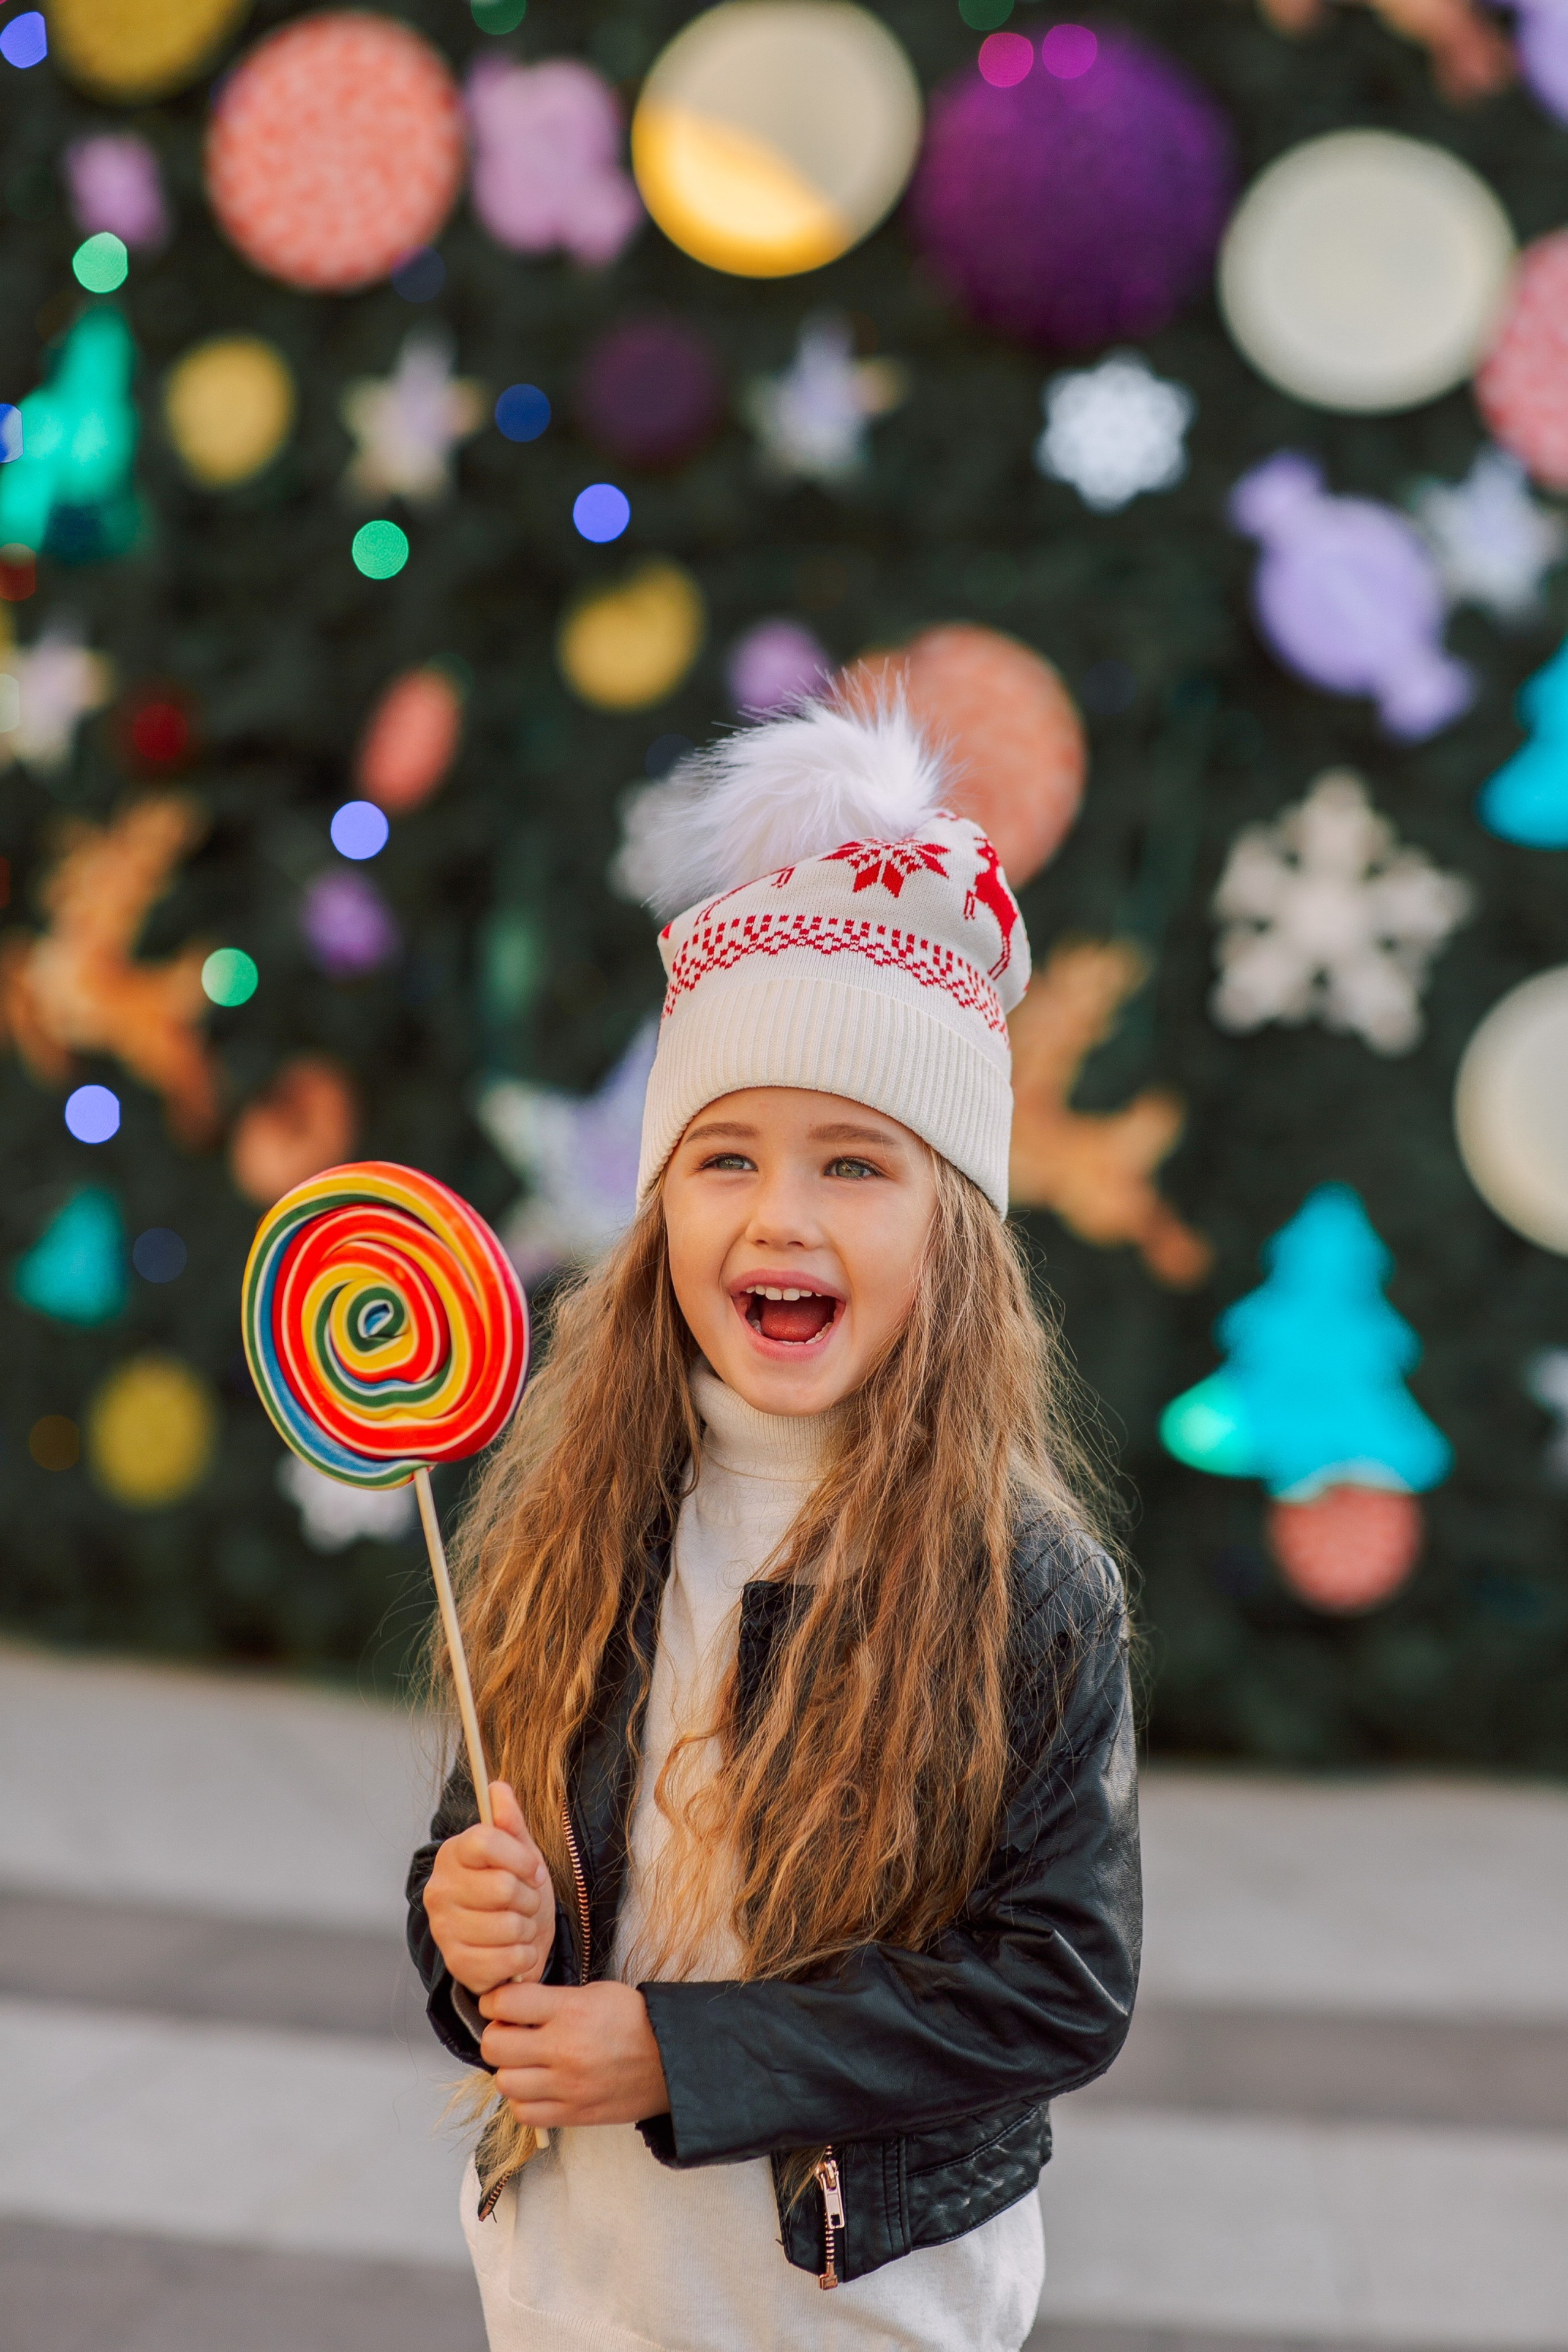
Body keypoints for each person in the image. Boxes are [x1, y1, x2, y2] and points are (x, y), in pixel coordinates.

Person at [406, 698, 1141, 2352]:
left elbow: (1058, 1985)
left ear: (956, 1234)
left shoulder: (1025, 1588)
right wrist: (464, 1929)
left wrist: (685, 2051)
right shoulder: (581, 1532)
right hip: (579, 2278)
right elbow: (486, 1871)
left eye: (857, 1166)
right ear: (664, 1203)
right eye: (723, 1157)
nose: (780, 1215)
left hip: (855, 2298)